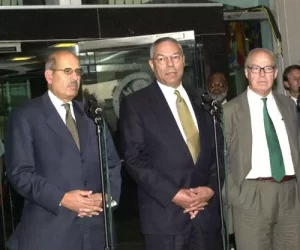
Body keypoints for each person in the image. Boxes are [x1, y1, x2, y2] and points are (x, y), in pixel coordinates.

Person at [5, 50, 121, 250]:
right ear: (49, 76)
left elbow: (111, 164)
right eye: (67, 71)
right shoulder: (26, 116)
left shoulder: (92, 115)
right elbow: (20, 174)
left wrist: (105, 197)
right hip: (51, 234)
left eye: (77, 72)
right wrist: (63, 198)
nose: (74, 77)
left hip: (96, 232)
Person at [120, 37, 224, 250]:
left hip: (205, 216)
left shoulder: (202, 100)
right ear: (152, 64)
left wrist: (210, 189)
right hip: (165, 218)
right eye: (162, 58)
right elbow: (134, 159)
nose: (170, 64)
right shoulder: (136, 103)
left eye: (175, 57)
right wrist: (175, 195)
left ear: (183, 60)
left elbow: (218, 151)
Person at [223, 48, 300, 250]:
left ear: (275, 73)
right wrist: (236, 196)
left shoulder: (288, 105)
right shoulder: (231, 110)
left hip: (290, 195)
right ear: (246, 73)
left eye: (267, 68)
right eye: (256, 68)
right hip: (251, 196)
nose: (262, 74)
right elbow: (222, 160)